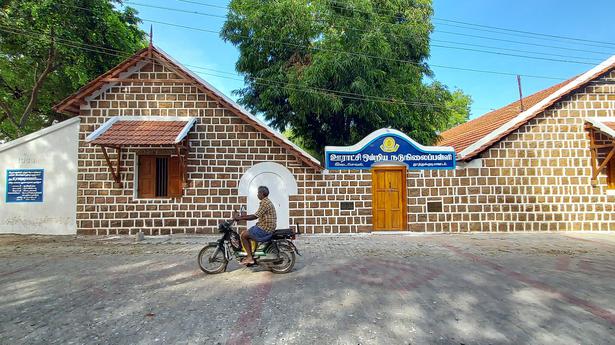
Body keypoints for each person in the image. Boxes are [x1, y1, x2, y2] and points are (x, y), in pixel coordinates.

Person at [233, 186, 277, 265]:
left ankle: (250, 258)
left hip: (265, 229)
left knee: (243, 235)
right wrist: (242, 217)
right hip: (265, 227)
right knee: (250, 231)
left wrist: (240, 218)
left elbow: (255, 216)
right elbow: (257, 215)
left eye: (258, 193)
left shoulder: (265, 203)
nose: (257, 195)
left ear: (262, 193)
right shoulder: (266, 202)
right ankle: (253, 253)